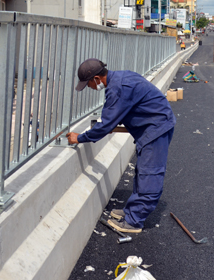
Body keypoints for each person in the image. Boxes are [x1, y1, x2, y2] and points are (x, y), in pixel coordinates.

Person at [67, 59, 176, 234]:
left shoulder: (116, 89)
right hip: (153, 124)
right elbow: (127, 109)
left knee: (150, 175)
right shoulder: (121, 77)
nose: (89, 88)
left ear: (96, 78)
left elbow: (104, 125)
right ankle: (131, 211)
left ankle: (134, 221)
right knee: (142, 171)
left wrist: (79, 138)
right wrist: (112, 123)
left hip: (156, 129)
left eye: (88, 84)